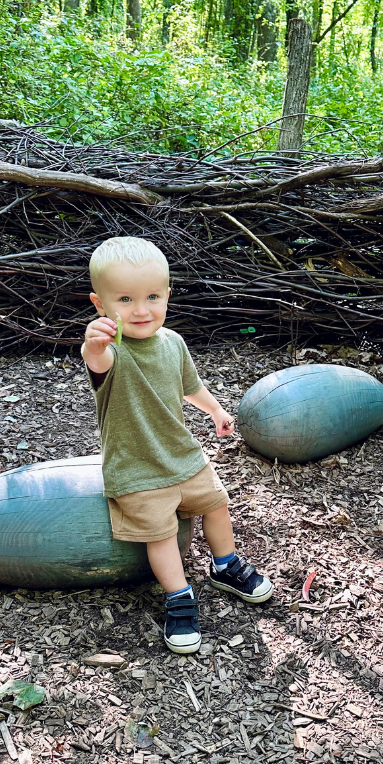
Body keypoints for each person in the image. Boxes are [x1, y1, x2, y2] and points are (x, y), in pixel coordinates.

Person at [81, 236, 272, 654]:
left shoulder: (173, 342)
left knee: (216, 503)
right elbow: (97, 362)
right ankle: (178, 596)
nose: (141, 309)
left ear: (167, 294)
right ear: (101, 305)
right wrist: (93, 343)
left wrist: (216, 412)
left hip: (183, 454)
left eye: (152, 296)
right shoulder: (111, 350)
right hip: (137, 467)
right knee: (161, 533)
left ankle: (225, 565)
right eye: (126, 299)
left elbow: (191, 387)